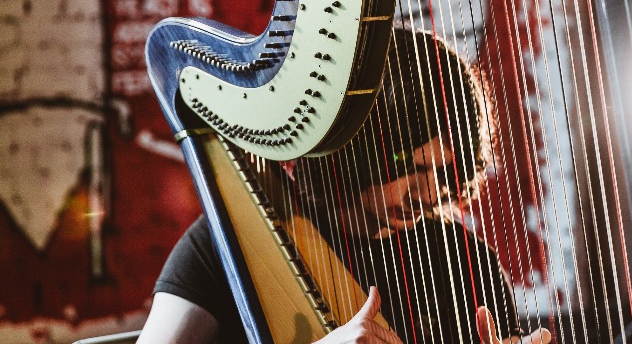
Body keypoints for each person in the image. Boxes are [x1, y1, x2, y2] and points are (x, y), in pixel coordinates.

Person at [137, 27, 551, 344]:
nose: (426, 195)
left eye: (442, 173)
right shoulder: (227, 243)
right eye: (411, 168)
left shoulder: (465, 258)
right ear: (361, 146)